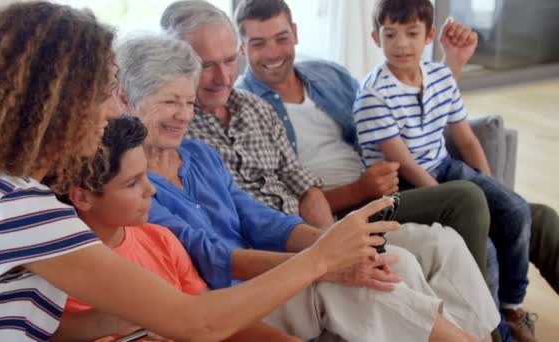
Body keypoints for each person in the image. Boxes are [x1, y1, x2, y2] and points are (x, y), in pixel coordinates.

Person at [0, 2, 407, 341]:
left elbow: (32, 321)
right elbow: (200, 322)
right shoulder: (22, 210)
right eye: (107, 89)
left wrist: (129, 316)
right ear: (59, 103)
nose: (114, 108)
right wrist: (322, 258)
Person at [116, 33, 499, 341]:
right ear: (125, 98)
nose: (183, 115)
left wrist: (335, 247)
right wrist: (323, 264)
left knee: (388, 265)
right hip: (230, 303)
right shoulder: (129, 184)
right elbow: (210, 256)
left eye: (187, 101)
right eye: (169, 102)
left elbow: (261, 219)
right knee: (359, 285)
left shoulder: (199, 154)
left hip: (266, 277)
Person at [232, 0, 559, 338]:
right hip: (347, 211)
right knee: (466, 200)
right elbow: (279, 207)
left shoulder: (327, 75)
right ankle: (496, 332)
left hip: (392, 187)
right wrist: (360, 189)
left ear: (296, 34)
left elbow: (401, 106)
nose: (272, 52)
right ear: (242, 46)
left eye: (281, 38)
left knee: (539, 219)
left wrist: (451, 66)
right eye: (258, 43)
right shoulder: (246, 109)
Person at [354, 1, 533, 340]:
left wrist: (490, 189)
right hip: (406, 185)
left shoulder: (439, 76)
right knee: (487, 248)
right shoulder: (372, 95)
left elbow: (465, 139)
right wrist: (467, 201)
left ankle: (512, 308)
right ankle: (497, 336)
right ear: (376, 38)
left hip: (446, 167)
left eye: (412, 34)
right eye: (390, 35)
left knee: (516, 208)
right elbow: (405, 164)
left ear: (429, 36)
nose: (402, 44)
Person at [53, 116, 301, 341]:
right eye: (132, 183)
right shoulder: (66, 275)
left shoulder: (160, 238)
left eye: (146, 176)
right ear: (83, 198)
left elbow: (213, 322)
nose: (151, 190)